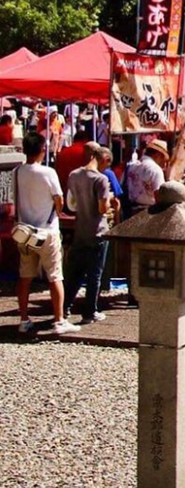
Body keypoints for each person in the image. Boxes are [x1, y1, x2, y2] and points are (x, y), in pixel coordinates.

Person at [14, 132, 79, 335]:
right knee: (55, 276)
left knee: (25, 276)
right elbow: (59, 199)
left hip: (25, 231)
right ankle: (59, 320)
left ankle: (24, 319)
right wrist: (58, 212)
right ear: (42, 150)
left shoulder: (17, 172)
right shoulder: (48, 173)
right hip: (47, 229)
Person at [63, 141, 114, 324]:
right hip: (97, 230)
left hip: (81, 228)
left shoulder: (74, 175)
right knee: (95, 275)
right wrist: (109, 201)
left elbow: (72, 203)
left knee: (75, 273)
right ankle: (90, 311)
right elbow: (102, 208)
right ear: (105, 159)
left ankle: (64, 307)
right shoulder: (100, 179)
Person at [124, 138, 168, 216]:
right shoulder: (155, 169)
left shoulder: (132, 166)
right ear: (158, 155)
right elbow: (158, 195)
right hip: (148, 212)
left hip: (130, 210)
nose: (162, 161)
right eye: (162, 158)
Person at [55, 128, 90, 193]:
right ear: (86, 139)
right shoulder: (86, 152)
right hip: (82, 190)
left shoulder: (63, 152)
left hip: (65, 188)